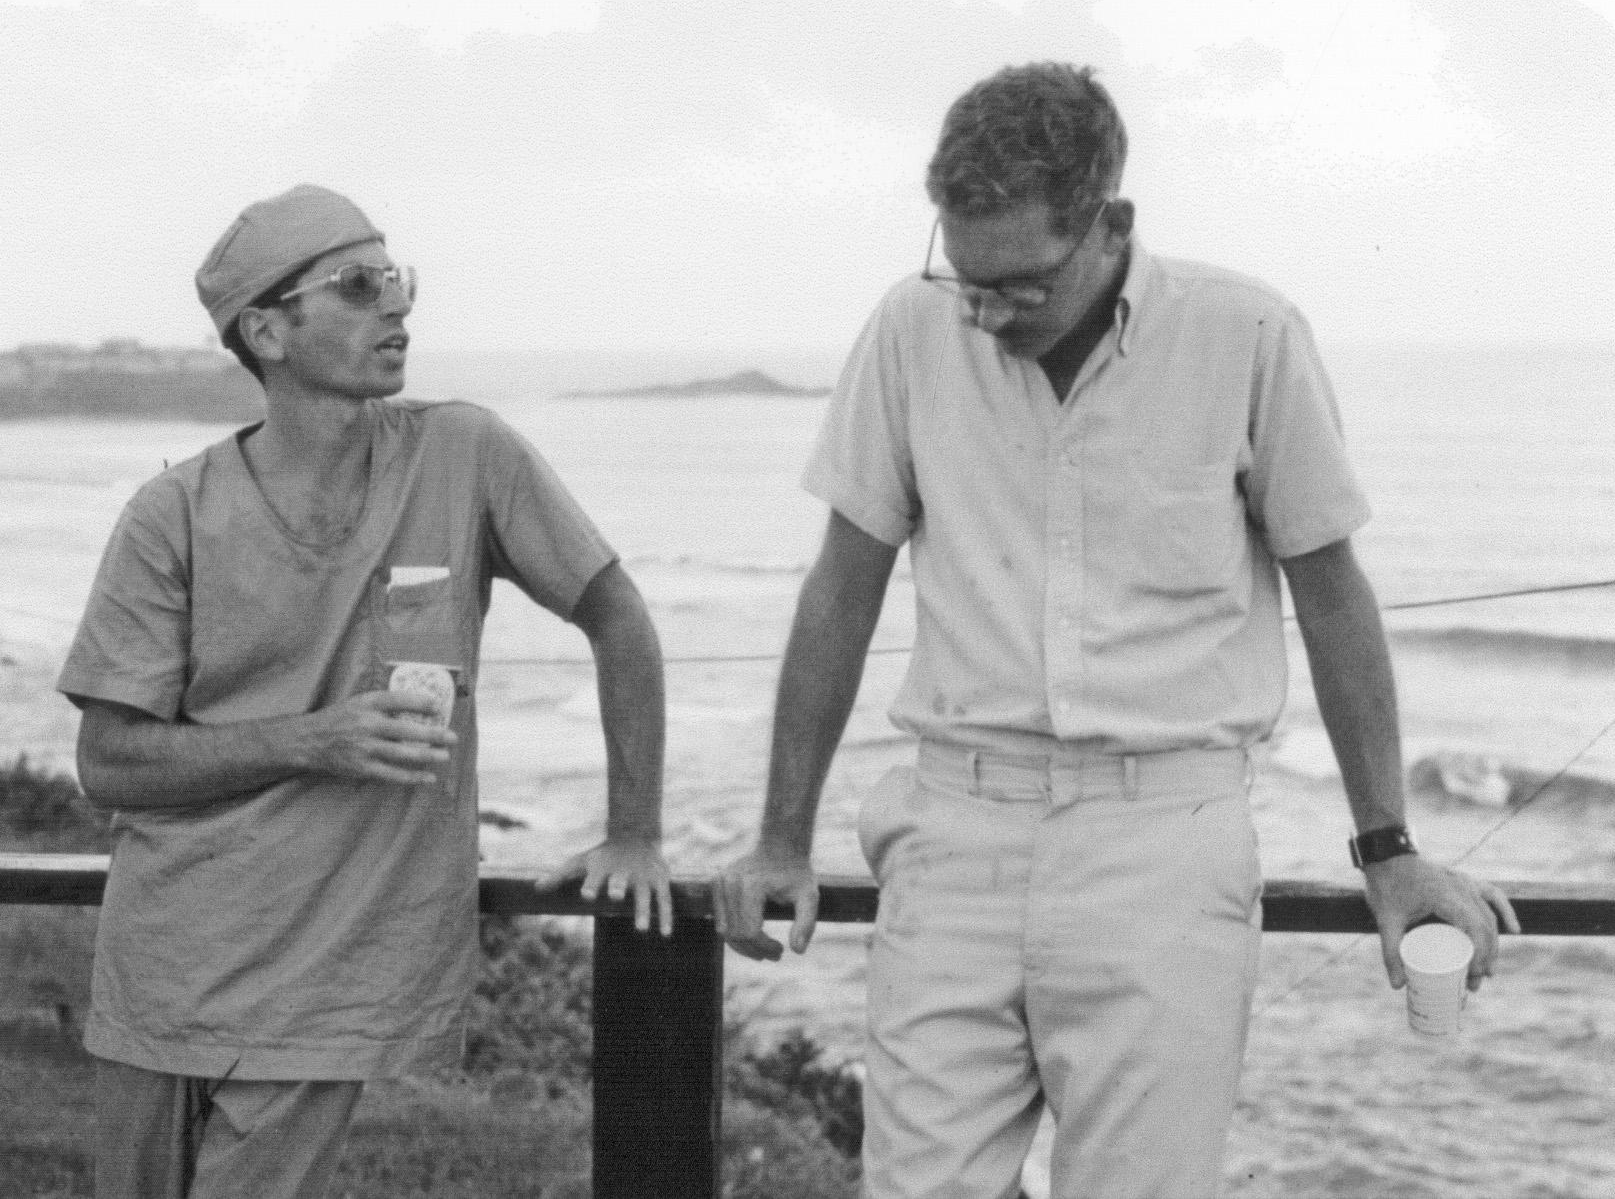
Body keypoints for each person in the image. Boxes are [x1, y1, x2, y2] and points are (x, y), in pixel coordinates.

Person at [713, 63, 1520, 1198]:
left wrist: (1387, 850)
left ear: (1111, 223)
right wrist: (780, 837)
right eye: (965, 279)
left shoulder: (1246, 333)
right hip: (953, 829)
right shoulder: (909, 327)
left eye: (1021, 285)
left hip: (1165, 840)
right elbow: (841, 589)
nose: (985, 312)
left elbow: (1333, 597)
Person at [58, 184, 673, 1199]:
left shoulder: (466, 455)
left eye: (397, 280)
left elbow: (619, 618)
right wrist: (315, 739)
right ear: (267, 330)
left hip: (328, 984)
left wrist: (635, 831)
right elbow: (108, 760)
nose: (396, 305)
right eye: (357, 285)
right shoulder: (171, 514)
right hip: (162, 968)